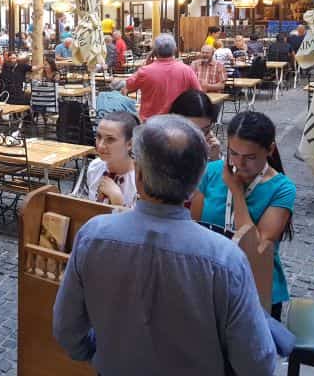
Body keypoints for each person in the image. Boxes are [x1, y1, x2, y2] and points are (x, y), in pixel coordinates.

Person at [54, 115, 277, 375]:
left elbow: (66, 329)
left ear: (138, 176)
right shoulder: (225, 259)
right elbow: (257, 363)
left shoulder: (93, 236)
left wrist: (99, 351)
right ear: (195, 184)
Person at [190, 111, 296, 320]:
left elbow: (257, 248)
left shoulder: (282, 188)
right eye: (234, 153)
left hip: (256, 287)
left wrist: (236, 192)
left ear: (270, 150)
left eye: (250, 157)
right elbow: (195, 227)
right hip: (210, 282)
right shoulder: (211, 172)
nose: (239, 163)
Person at [122, 34, 200, 121]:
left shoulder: (145, 71)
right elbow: (198, 94)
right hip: (177, 122)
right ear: (174, 50)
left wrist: (145, 65)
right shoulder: (187, 70)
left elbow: (127, 87)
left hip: (150, 123)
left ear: (155, 52)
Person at [85, 113, 138, 207]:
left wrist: (117, 200)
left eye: (110, 139)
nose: (100, 146)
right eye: (98, 137)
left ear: (129, 144)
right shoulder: (94, 167)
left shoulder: (140, 180)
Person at [169, 89, 221, 161]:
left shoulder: (209, 147)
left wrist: (215, 158)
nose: (199, 138)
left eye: (205, 130)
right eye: (192, 130)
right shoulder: (160, 149)